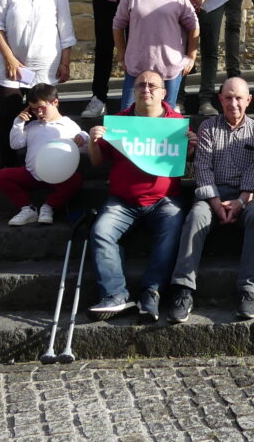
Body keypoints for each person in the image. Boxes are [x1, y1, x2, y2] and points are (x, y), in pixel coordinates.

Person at [87, 70, 187, 322]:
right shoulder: (119, 122)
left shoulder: (176, 123)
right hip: (122, 201)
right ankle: (115, 296)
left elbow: (185, 162)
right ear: (134, 91)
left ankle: (152, 291)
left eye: (153, 85)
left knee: (174, 227)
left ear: (164, 92)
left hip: (164, 200)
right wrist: (92, 141)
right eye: (141, 85)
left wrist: (192, 147)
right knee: (101, 231)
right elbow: (97, 161)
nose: (146, 89)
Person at [166, 77, 254, 323]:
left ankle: (248, 290)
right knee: (196, 215)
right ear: (220, 99)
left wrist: (240, 203)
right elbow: (202, 169)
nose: (233, 103)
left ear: (248, 100)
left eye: (238, 98)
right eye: (228, 98)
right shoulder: (208, 128)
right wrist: (215, 203)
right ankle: (184, 289)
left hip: (246, 196)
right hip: (213, 194)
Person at [0, 0, 75, 169]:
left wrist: (65, 62)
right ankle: (9, 169)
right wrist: (10, 59)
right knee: (10, 118)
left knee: (43, 120)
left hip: (46, 67)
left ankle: (44, 167)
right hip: (12, 68)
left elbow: (65, 30)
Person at [113, 0, 199, 111]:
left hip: (170, 67)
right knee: (128, 114)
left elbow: (194, 27)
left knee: (166, 118)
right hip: (136, 67)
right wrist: (122, 55)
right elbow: (117, 26)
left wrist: (191, 57)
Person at [0, 84, 87, 226]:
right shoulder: (32, 126)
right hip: (32, 173)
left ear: (55, 102)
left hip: (59, 175)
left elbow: (82, 149)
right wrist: (18, 122)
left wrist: (83, 138)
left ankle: (49, 206)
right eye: (34, 109)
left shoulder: (68, 125)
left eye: (42, 108)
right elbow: (15, 144)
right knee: (3, 176)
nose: (39, 113)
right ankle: (28, 209)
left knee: (76, 180)